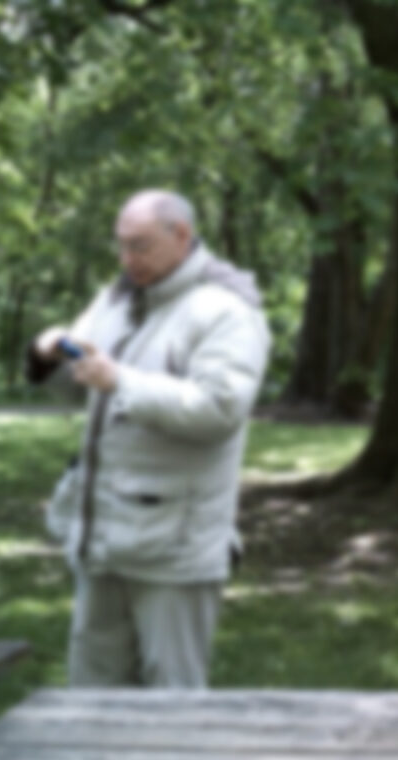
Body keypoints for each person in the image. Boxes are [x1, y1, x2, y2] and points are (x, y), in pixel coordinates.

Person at [28, 189, 271, 687]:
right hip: (102, 537)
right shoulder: (116, 299)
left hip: (174, 547)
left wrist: (121, 380)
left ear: (180, 235)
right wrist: (48, 352)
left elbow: (219, 410)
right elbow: (79, 388)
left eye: (139, 246)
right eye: (121, 246)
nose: (126, 260)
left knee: (171, 704)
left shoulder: (225, 311)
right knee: (92, 694)